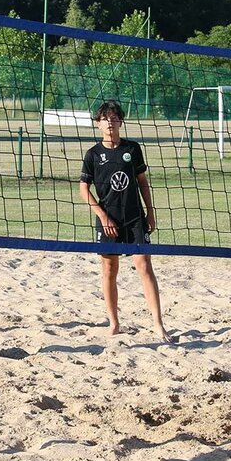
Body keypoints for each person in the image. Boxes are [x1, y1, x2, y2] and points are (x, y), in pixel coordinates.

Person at [79, 100, 171, 342]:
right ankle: (114, 323)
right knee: (109, 269)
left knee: (144, 266)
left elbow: (142, 182)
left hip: (134, 218)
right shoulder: (93, 155)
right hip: (108, 220)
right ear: (98, 124)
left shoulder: (132, 148)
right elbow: (83, 190)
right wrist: (102, 216)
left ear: (121, 121)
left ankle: (158, 324)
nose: (110, 121)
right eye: (105, 118)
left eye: (114, 117)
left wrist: (150, 211)